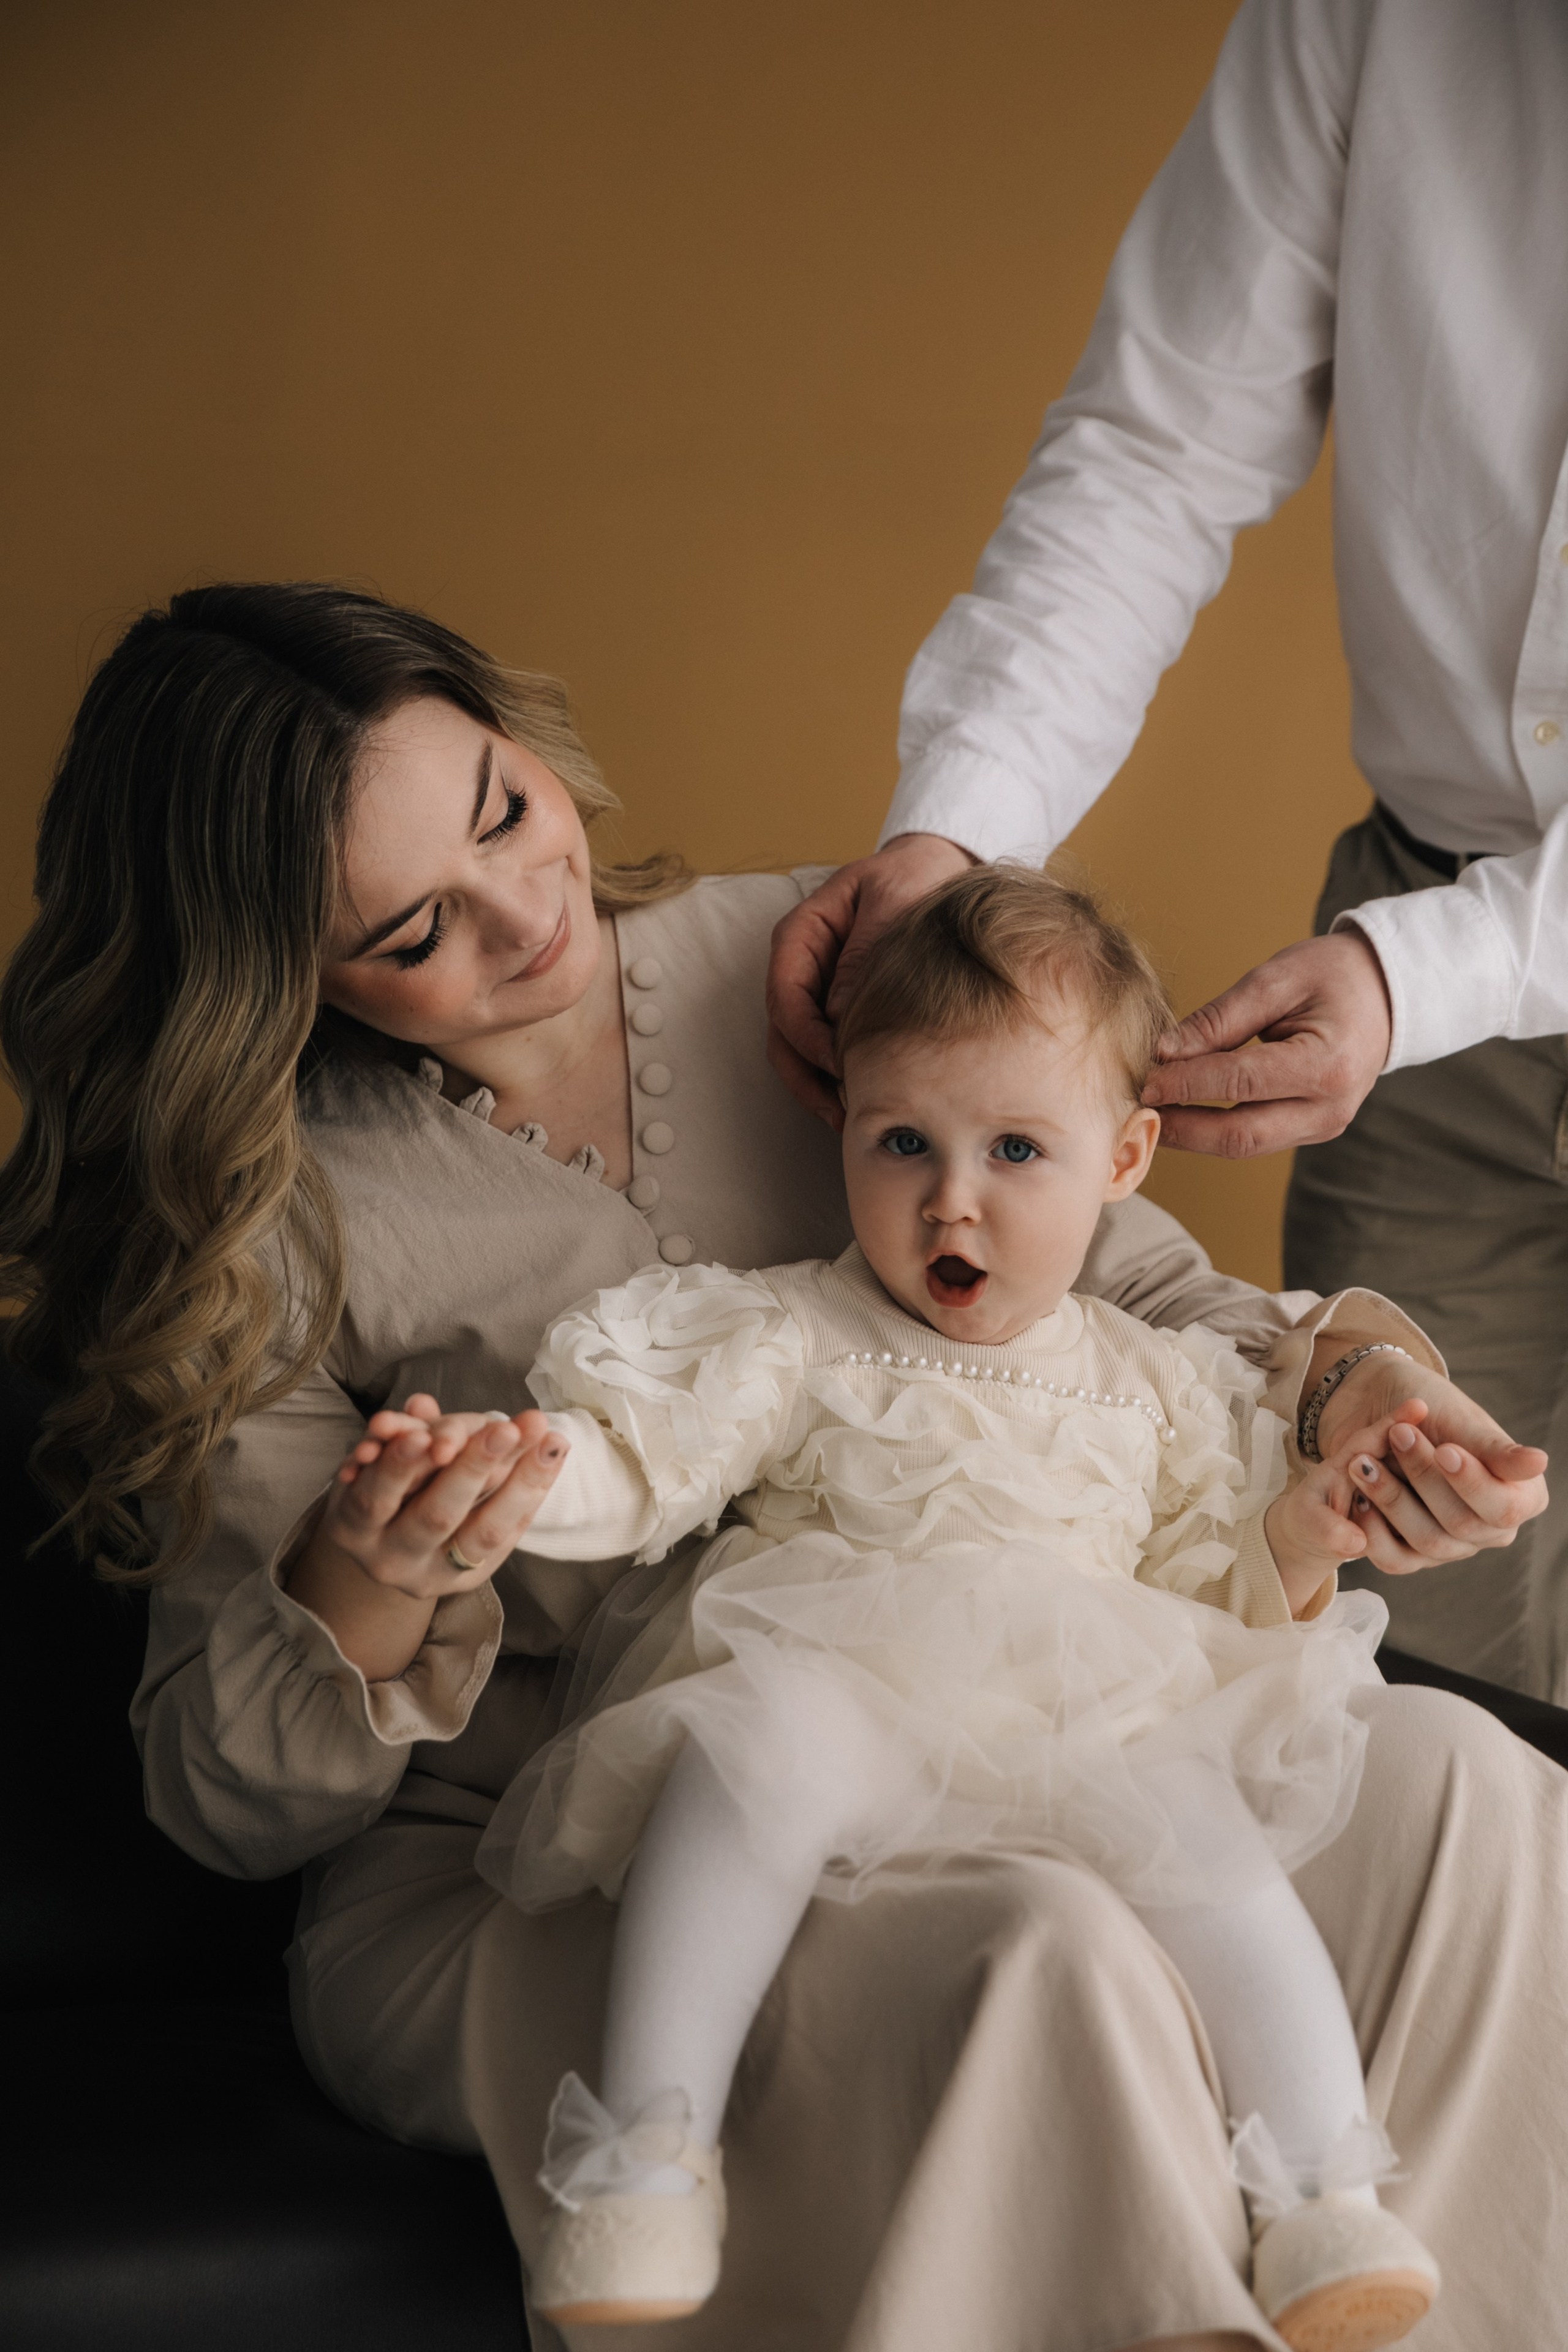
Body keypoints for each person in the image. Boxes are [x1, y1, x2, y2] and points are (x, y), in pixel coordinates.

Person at [1, 581, 1561, 2352]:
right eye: (412, 929)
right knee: (1033, 1946)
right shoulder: (268, 1220)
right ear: (282, 976)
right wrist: (378, 1573)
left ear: (522, 734)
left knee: (1460, 1786)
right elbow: (230, 1805)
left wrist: (1365, 1396)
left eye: (508, 811)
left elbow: (1137, 1292)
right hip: (553, 1854)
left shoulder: (817, 960)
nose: (527, 916)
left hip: (1016, 1715)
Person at [399, 867, 1438, 2345]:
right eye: (902, 1142)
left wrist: (1302, 1528)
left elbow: (1215, 1568)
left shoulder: (1149, 1378)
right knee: (744, 1767)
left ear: (1124, 1156)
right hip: (850, 1677)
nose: (951, 1198)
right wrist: (514, 1479)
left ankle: (1325, 2198)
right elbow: (649, 1462)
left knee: (1216, 1871)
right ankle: (642, 2157)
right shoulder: (796, 1329)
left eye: (1016, 1147)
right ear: (844, 1131)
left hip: (1091, 1709)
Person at [765, 0, 1568, 1697]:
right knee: (1415, 1652)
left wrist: (1420, 976)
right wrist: (953, 830)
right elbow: (1161, 441)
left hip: (1409, 975)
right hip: (1420, 974)